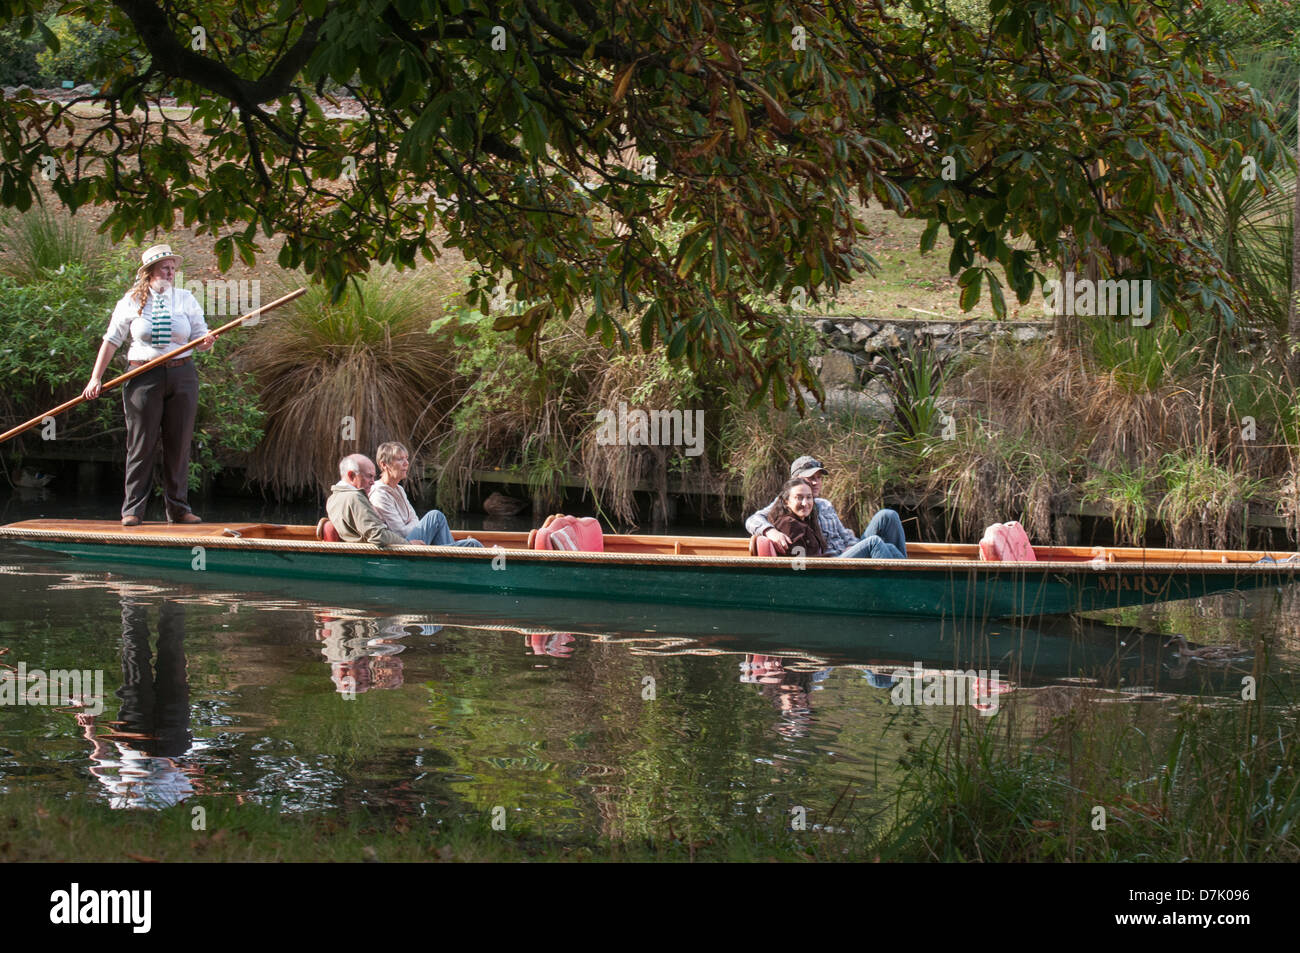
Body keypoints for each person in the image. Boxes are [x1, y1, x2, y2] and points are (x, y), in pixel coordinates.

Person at [83, 244, 215, 526]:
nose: (170, 273)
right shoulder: (131, 300)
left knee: (178, 443)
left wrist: (205, 342)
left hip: (182, 375)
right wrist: (96, 377)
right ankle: (133, 510)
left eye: (173, 268)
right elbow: (111, 340)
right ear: (150, 273)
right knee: (141, 444)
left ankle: (179, 509)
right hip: (142, 376)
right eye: (165, 268)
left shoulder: (186, 298)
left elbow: (201, 337)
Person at [745, 455, 907, 559]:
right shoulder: (788, 503)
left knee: (888, 516)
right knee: (875, 542)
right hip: (832, 562)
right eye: (810, 478)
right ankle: (898, 585)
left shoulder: (825, 504)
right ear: (796, 480)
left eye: (819, 478)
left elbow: (844, 534)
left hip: (848, 552)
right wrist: (770, 531)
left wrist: (852, 544)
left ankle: (911, 575)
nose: (816, 483)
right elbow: (752, 520)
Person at [368, 441, 482, 547]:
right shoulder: (379, 494)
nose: (406, 463)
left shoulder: (399, 489)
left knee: (439, 518)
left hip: (411, 540)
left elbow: (414, 520)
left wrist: (411, 524)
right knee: (435, 516)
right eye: (400, 459)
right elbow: (400, 532)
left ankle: (451, 556)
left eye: (406, 459)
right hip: (402, 546)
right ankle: (459, 553)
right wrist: (412, 525)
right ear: (384, 464)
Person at [764, 478, 826, 557]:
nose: (805, 503)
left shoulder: (806, 522)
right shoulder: (790, 525)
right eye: (799, 497)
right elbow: (798, 565)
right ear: (786, 501)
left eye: (809, 497)